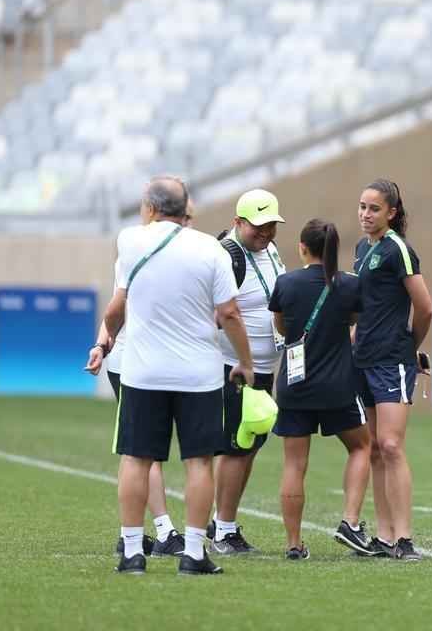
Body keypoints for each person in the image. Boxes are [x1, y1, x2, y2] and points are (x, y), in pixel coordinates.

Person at [88, 176, 255, 576]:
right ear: (186, 210)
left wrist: (105, 342)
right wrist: (245, 361)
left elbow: (116, 308)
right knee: (199, 462)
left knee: (137, 458)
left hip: (143, 371)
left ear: (149, 208)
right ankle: (193, 553)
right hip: (199, 373)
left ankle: (132, 552)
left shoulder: (130, 240)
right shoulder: (211, 248)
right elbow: (229, 313)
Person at [87, 199, 197, 558]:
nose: (188, 222)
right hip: (135, 362)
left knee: (141, 451)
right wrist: (102, 344)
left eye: (190, 217)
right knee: (142, 452)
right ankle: (162, 531)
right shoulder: (139, 249)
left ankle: (132, 534)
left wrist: (101, 343)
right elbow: (117, 307)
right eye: (185, 216)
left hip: (153, 362)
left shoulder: (171, 251)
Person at [268, 219, 372, 561]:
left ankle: (293, 544)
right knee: (361, 447)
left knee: (294, 464)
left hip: (295, 386)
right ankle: (350, 522)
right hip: (338, 386)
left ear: (302, 247)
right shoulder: (349, 285)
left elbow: (282, 326)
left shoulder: (285, 283)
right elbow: (354, 320)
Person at [353, 179, 432, 562]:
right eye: (362, 207)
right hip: (362, 360)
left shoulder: (397, 249)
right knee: (372, 448)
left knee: (390, 445)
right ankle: (384, 537)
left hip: (391, 362)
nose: (366, 214)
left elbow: (425, 307)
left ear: (392, 212)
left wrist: (410, 348)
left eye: (374, 208)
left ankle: (404, 538)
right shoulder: (360, 249)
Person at [209, 189, 287, 555]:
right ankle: (223, 531)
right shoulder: (226, 254)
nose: (266, 233)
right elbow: (214, 312)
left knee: (252, 442)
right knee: (236, 445)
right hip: (235, 368)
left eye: (271, 225)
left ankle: (221, 521)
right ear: (238, 222)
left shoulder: (270, 250)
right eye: (258, 226)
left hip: (263, 368)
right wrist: (244, 360)